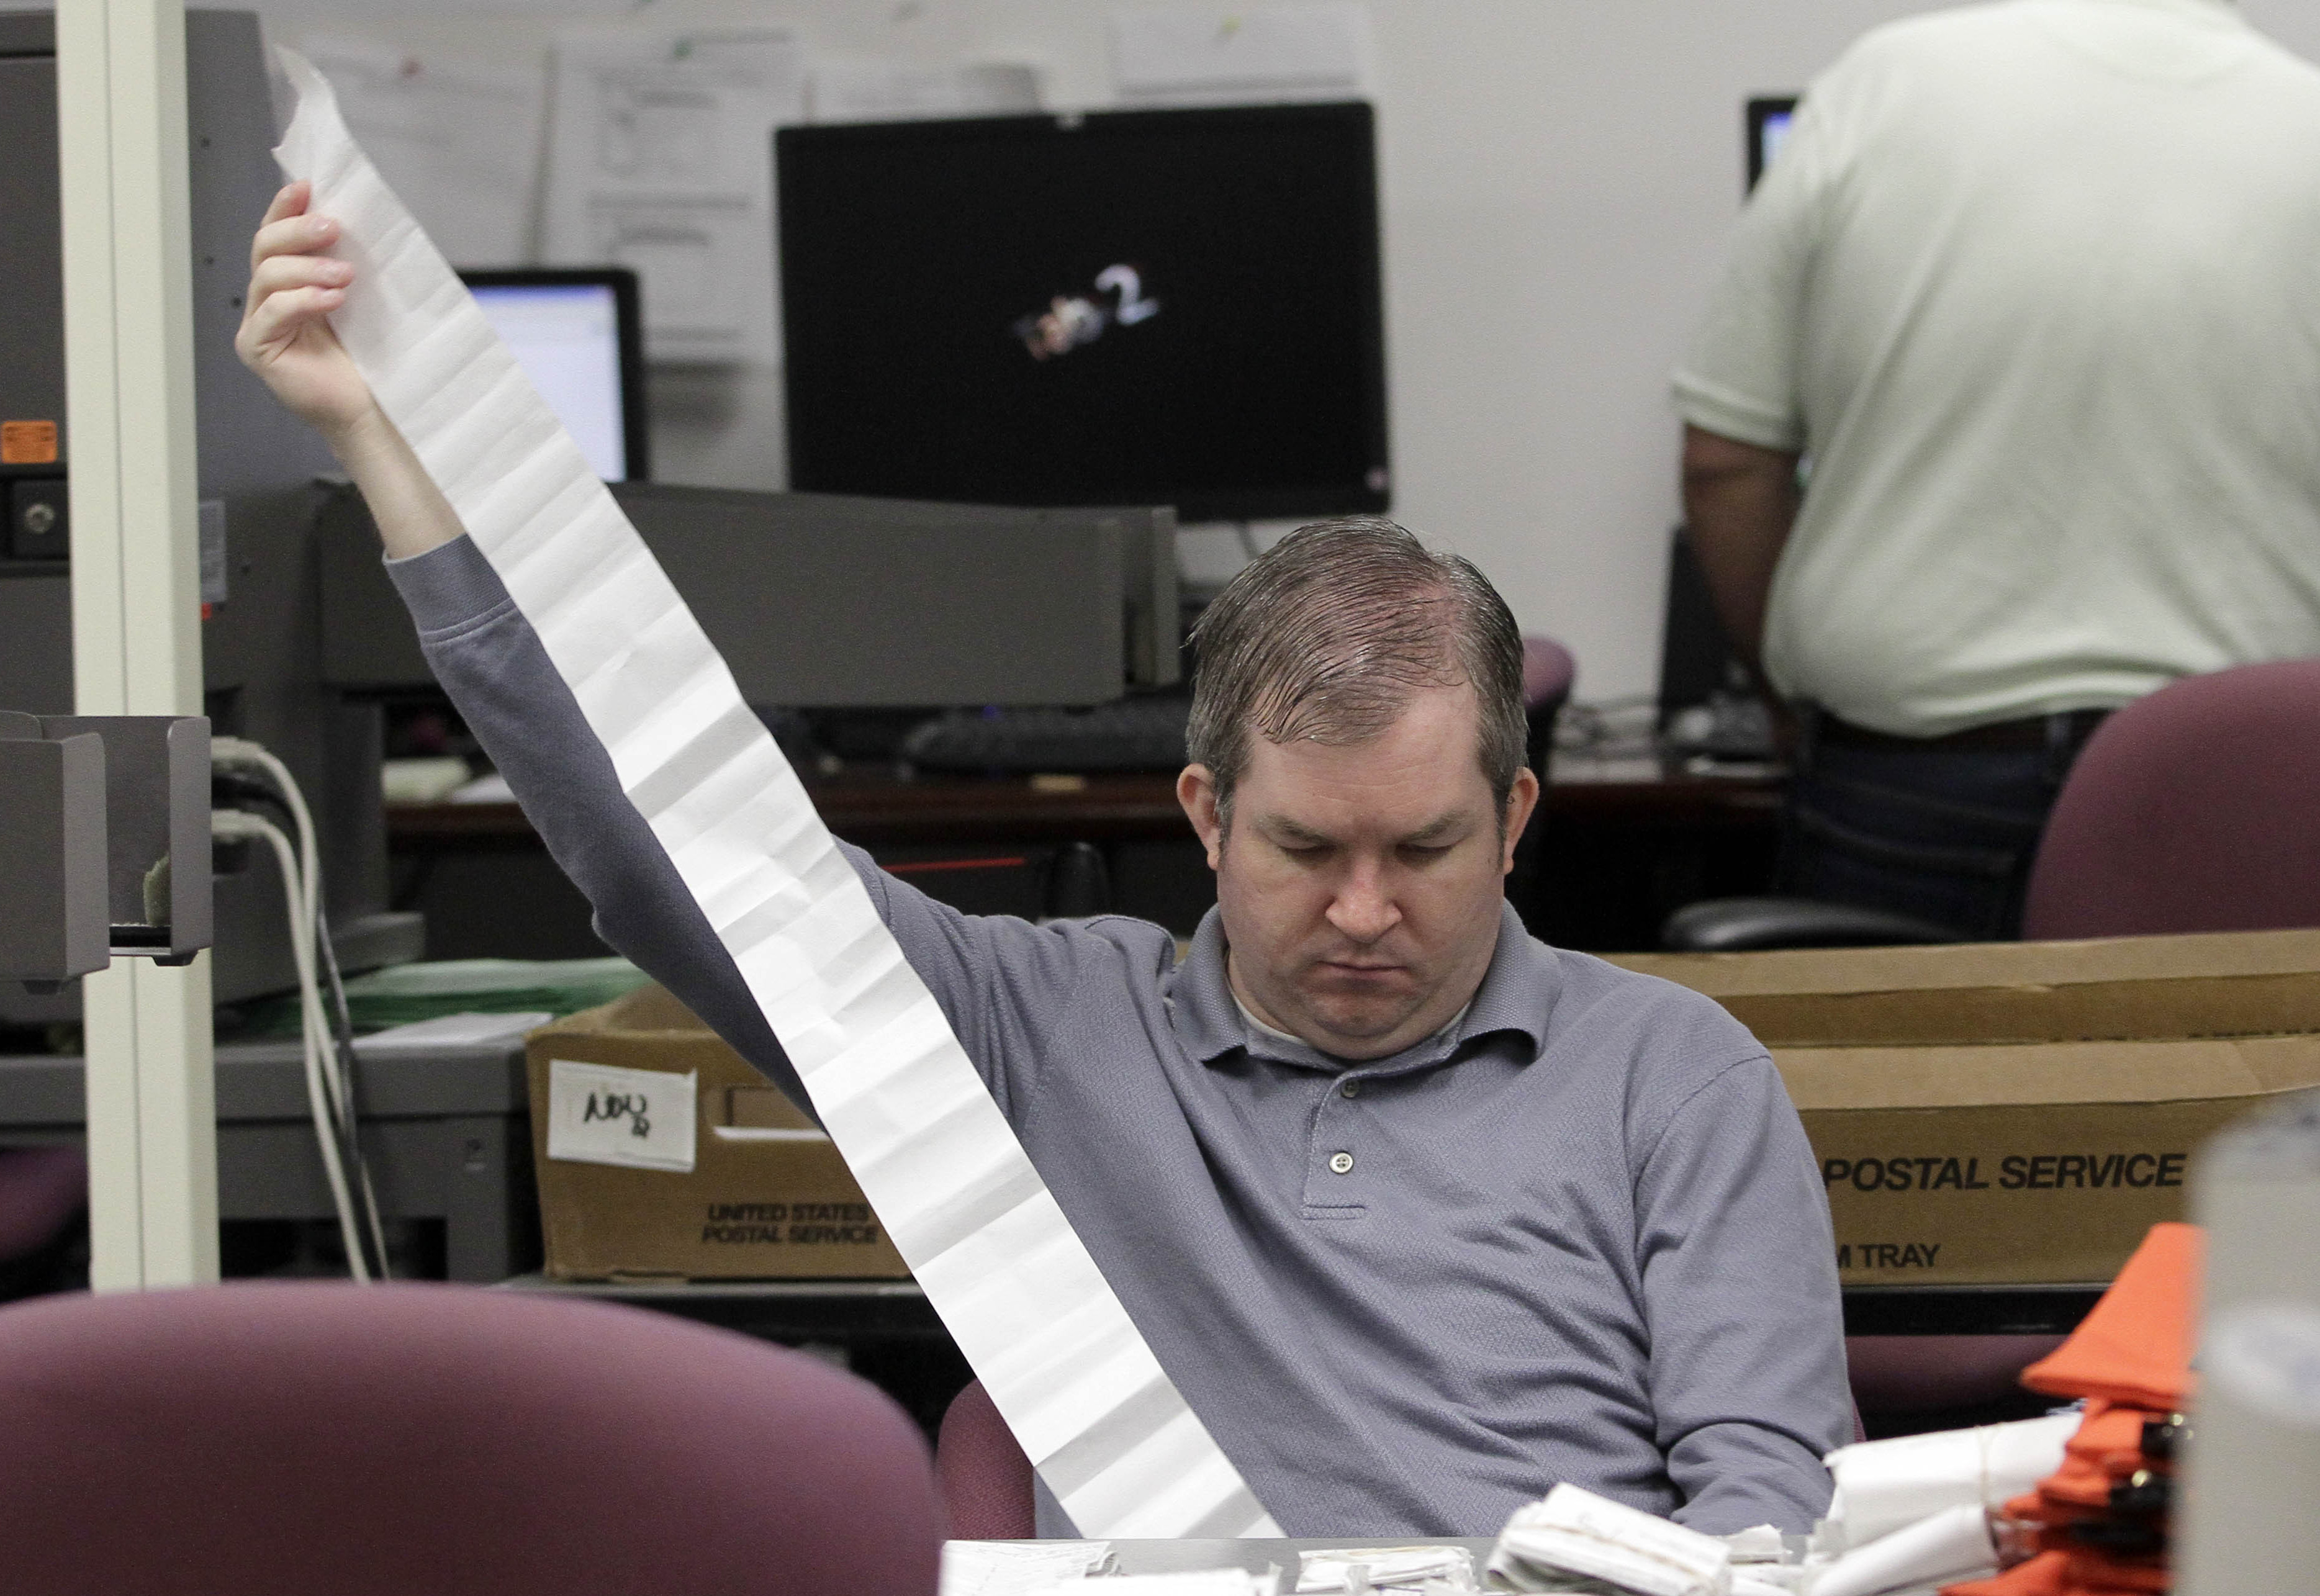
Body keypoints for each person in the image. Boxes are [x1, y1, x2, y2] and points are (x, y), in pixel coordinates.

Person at [240, 182, 1851, 1535]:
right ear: (1207, 813)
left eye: (1424, 847)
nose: (1364, 913)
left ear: (1512, 818)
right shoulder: (1040, 1031)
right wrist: (390, 445)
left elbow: (1768, 1504)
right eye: (1303, 847)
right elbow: (665, 842)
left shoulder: (1676, 1077)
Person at [1677, 0, 2320, 940]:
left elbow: (1725, 465)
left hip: (1920, 772)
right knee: (2233, 1089)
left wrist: (1783, 703)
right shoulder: (2304, 116)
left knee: (1896, 1088)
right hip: (2237, 792)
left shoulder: (1882, 85)